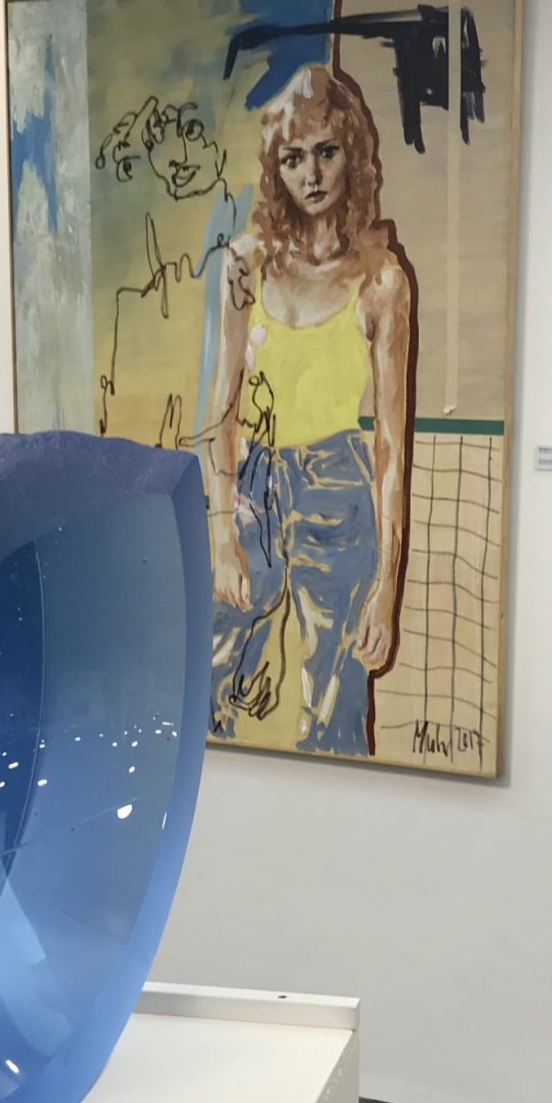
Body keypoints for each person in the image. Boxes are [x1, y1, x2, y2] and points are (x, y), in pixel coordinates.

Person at [204, 63, 414, 756]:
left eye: (326, 151)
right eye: (293, 158)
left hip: (339, 489)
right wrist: (221, 538)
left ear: (353, 154)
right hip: (253, 490)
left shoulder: (382, 281)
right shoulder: (244, 263)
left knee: (336, 709)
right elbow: (221, 410)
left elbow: (390, 447)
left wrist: (385, 589)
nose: (312, 174)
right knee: (209, 685)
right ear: (276, 169)